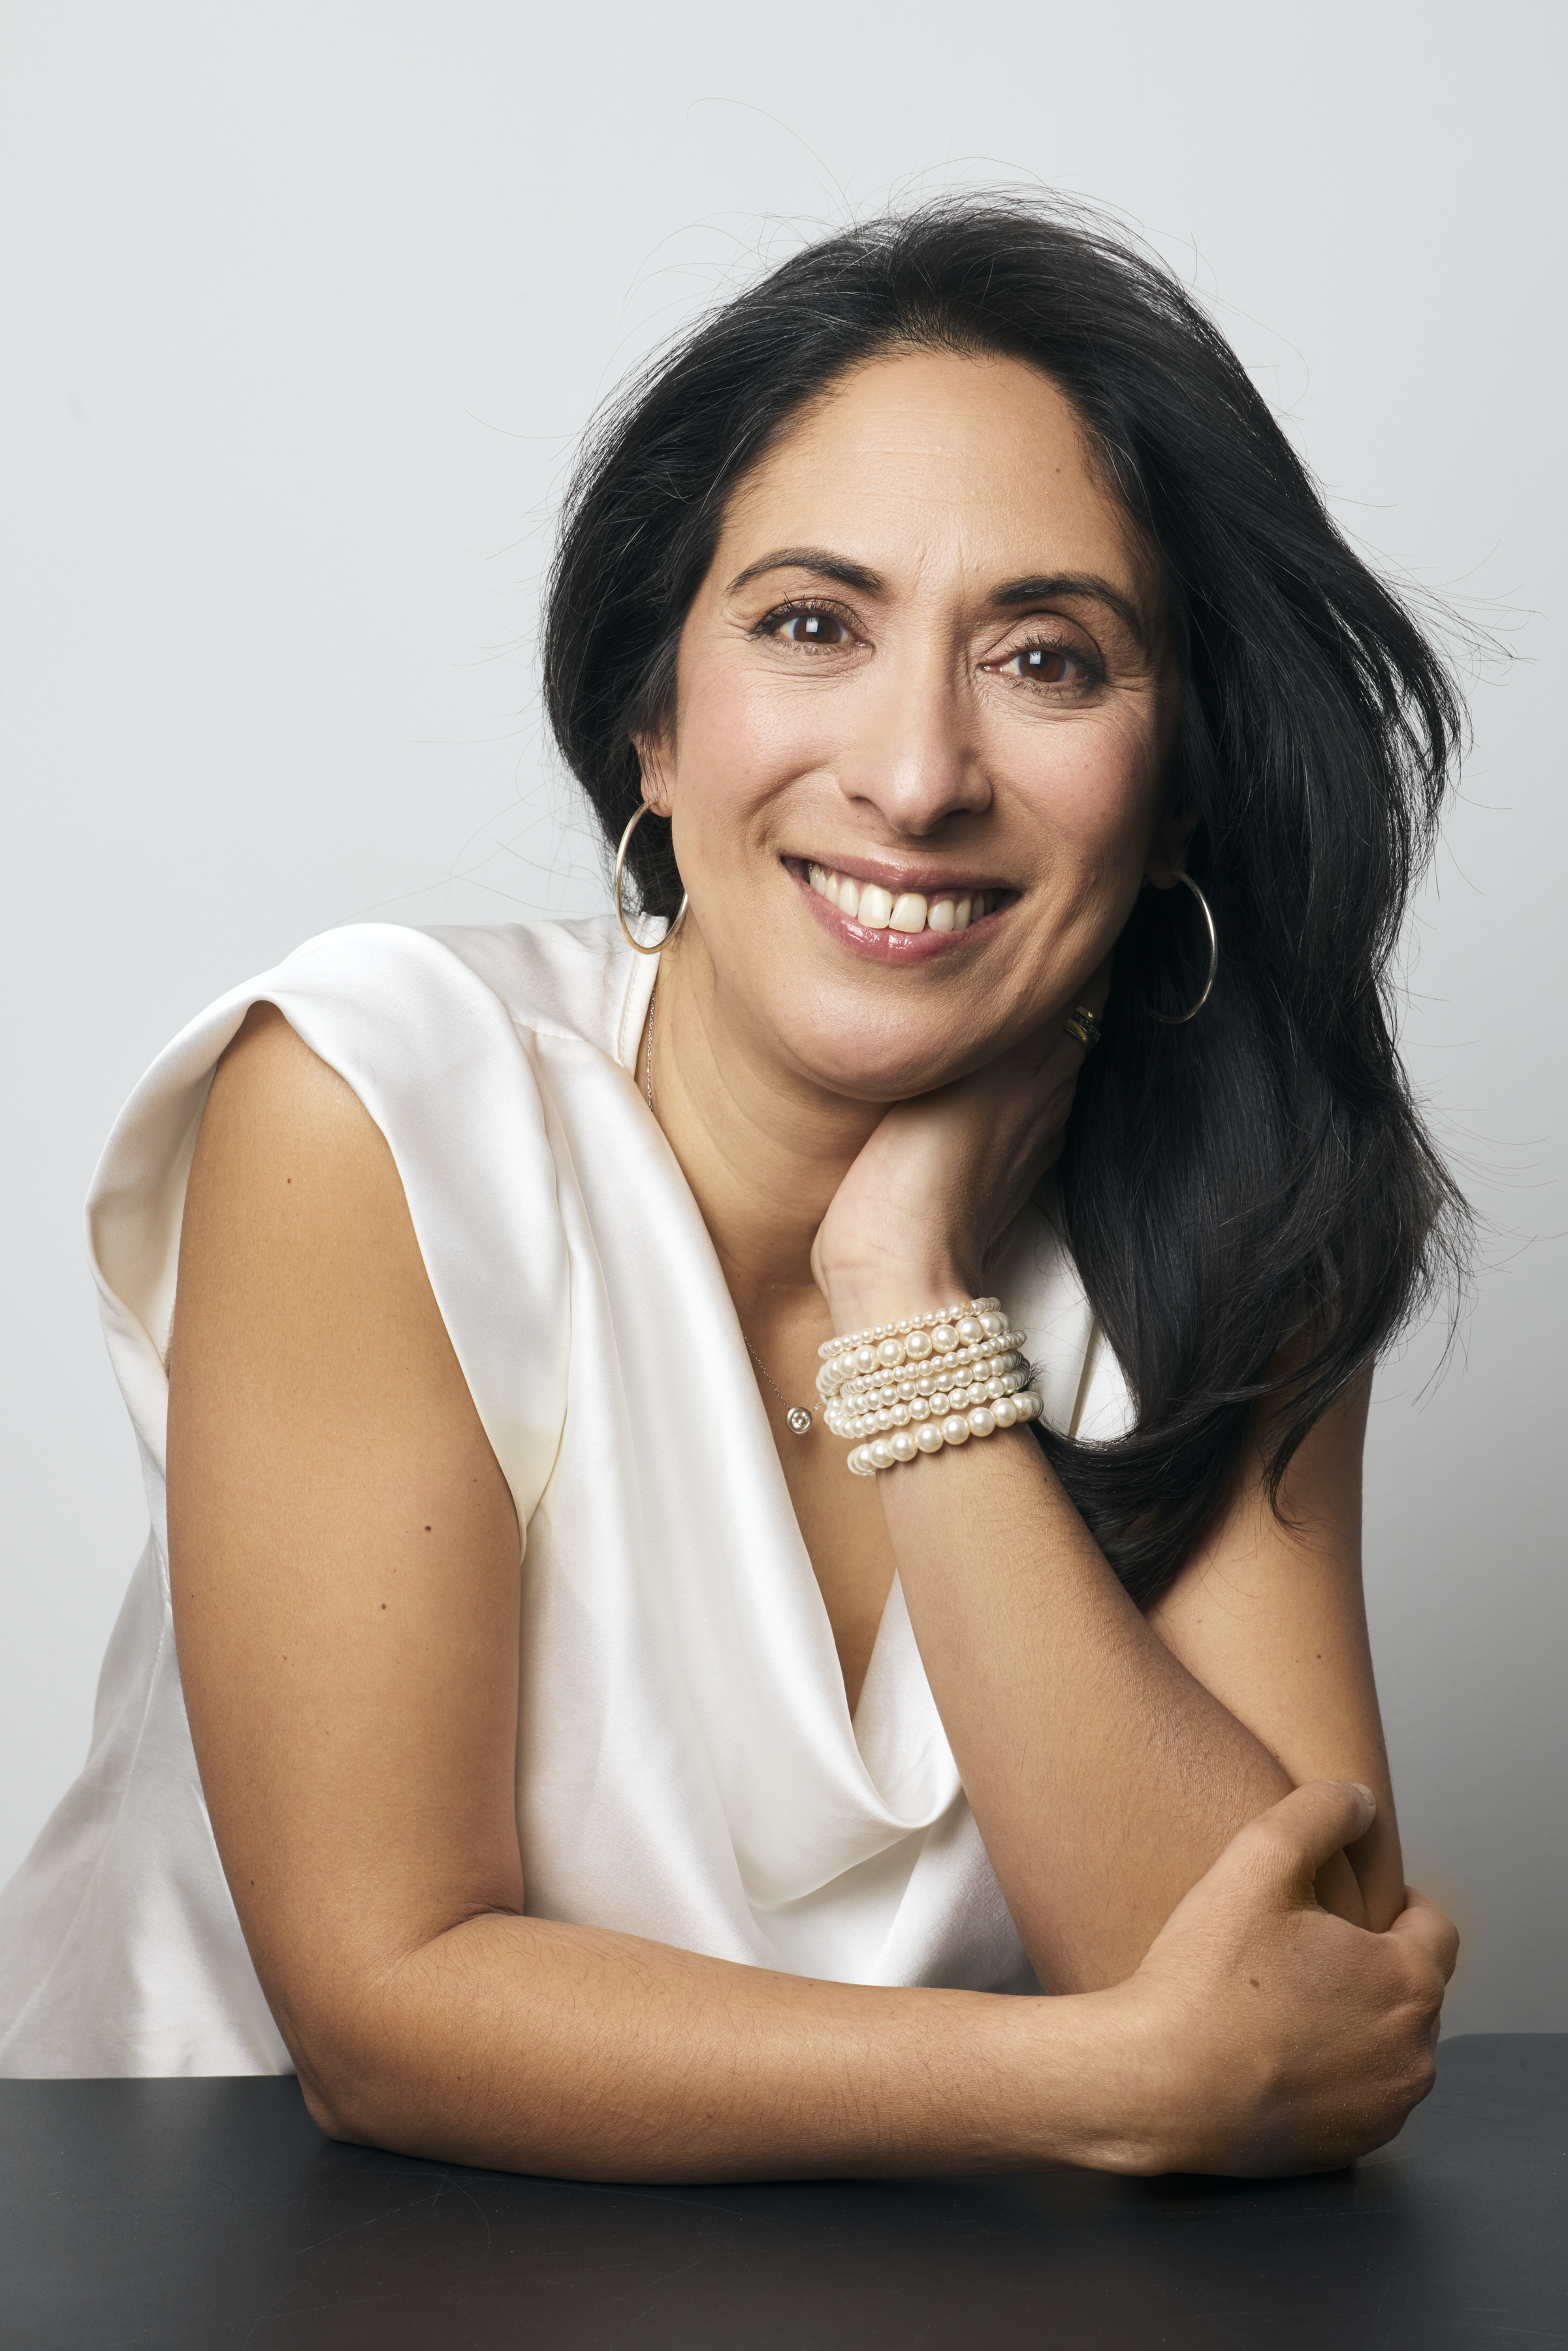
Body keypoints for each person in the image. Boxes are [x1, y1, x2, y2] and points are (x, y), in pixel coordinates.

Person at [0, 197, 1461, 2179]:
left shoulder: (1244, 1225)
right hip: (222, 2247)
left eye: (1045, 658)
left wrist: (900, 1289)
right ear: (653, 725)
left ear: (1179, 780)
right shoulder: (374, 1108)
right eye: (810, 626)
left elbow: (1297, 2012)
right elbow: (380, 2008)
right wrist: (1089, 2083)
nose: (917, 769)